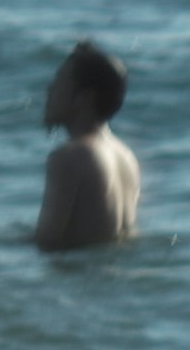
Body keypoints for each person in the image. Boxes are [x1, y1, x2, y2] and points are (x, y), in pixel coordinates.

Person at [31, 42, 142, 252]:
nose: (50, 89)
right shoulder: (126, 156)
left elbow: (46, 243)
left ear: (85, 98)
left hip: (79, 281)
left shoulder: (70, 157)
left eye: (59, 82)